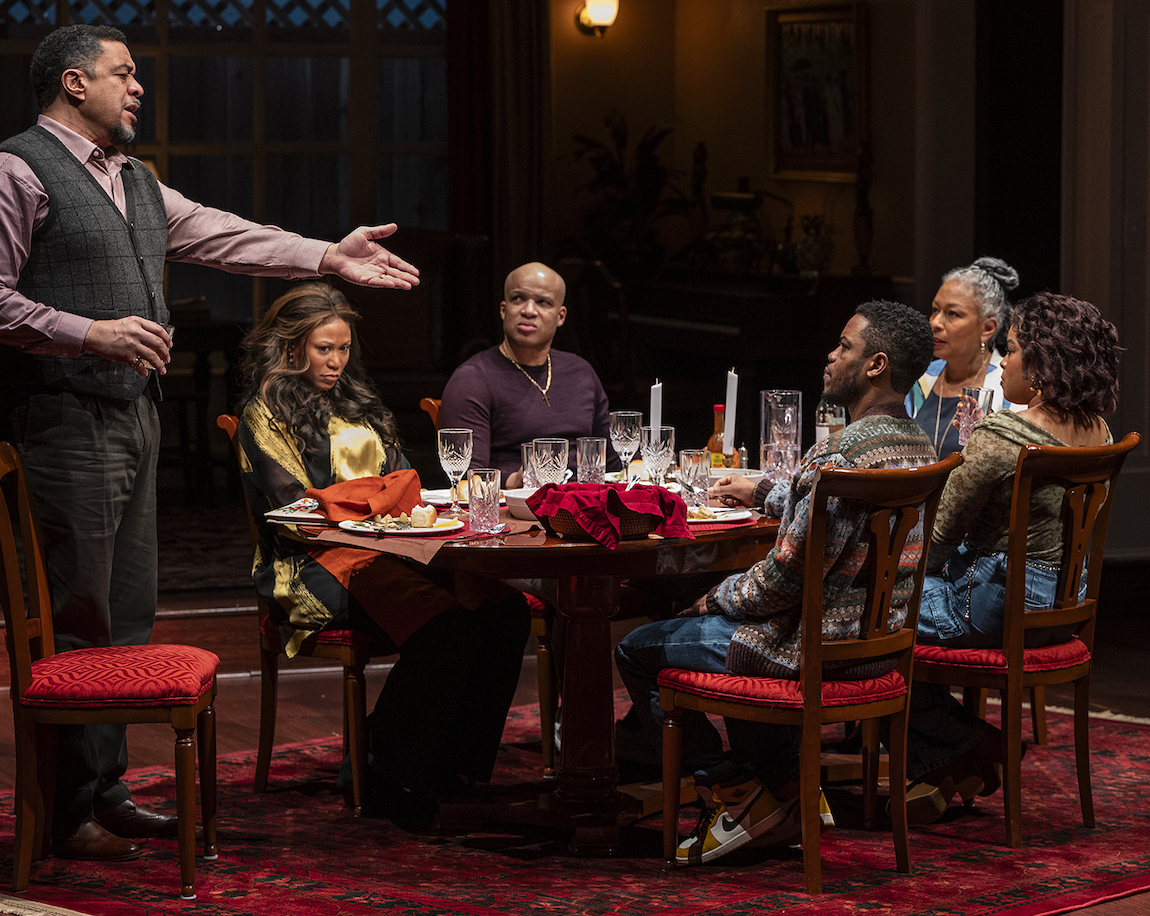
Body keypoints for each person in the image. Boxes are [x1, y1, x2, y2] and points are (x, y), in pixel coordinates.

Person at [0, 24, 419, 863]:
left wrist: (326, 256)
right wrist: (86, 333)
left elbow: (223, 235)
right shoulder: (15, 170)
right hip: (61, 415)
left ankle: (107, 789)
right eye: (123, 74)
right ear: (72, 83)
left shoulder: (134, 180)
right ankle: (64, 811)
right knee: (79, 612)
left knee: (127, 611)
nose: (137, 88)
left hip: (132, 414)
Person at [614, 301, 939, 864]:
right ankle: (787, 790)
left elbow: (782, 582)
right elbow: (833, 511)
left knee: (640, 647)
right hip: (877, 649)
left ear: (876, 365)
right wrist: (765, 491)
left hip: (811, 651)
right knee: (737, 622)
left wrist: (711, 598)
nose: (831, 356)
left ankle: (737, 793)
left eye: (844, 347)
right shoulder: (916, 446)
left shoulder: (837, 451)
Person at [236, 284, 531, 820]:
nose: (336, 361)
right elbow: (293, 506)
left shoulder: (356, 400)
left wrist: (386, 499)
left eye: (343, 348)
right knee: (446, 629)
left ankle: (453, 764)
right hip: (314, 560)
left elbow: (400, 474)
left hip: (385, 547)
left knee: (504, 611)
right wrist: (377, 498)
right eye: (324, 348)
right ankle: (384, 767)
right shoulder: (265, 412)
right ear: (292, 346)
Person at [899, 292, 1120, 823]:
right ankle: (946, 762)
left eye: (1014, 350)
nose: (1004, 362)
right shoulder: (1099, 432)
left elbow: (938, 537)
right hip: (1059, 612)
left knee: (865, 614)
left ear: (1042, 366)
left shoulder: (1001, 436)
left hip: (994, 606)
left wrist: (896, 579)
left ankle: (963, 748)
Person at [439, 262, 614, 487]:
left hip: (585, 503)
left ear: (561, 316)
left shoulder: (581, 372)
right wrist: (515, 480)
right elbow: (464, 479)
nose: (529, 311)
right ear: (504, 310)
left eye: (543, 302)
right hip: (516, 508)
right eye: (518, 299)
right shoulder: (472, 379)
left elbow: (614, 461)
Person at [907, 257, 1025, 459]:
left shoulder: (1007, 386)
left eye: (952, 314)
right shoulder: (921, 379)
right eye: (935, 310)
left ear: (987, 328)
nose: (935, 323)